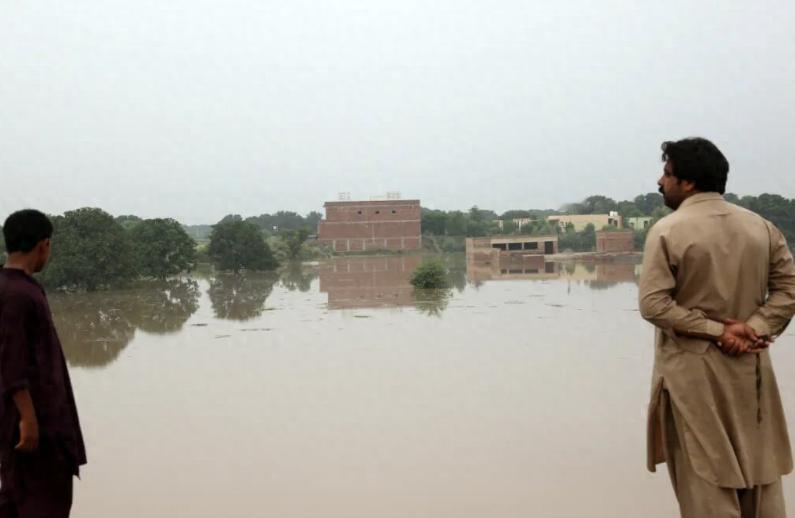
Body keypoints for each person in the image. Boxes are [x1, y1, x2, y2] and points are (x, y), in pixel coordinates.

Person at [639, 137, 795, 517]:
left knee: (706, 484)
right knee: (760, 480)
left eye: (667, 174)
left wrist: (717, 332)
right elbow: (788, 289)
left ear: (688, 182)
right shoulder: (760, 227)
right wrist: (754, 326)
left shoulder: (667, 231)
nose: (660, 182)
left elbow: (653, 304)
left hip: (693, 381)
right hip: (751, 373)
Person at [0, 209, 86, 518]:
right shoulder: (17, 294)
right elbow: (10, 363)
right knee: (43, 505)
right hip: (36, 431)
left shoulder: (17, 287)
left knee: (18, 502)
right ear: (43, 244)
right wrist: (29, 420)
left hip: (33, 425)